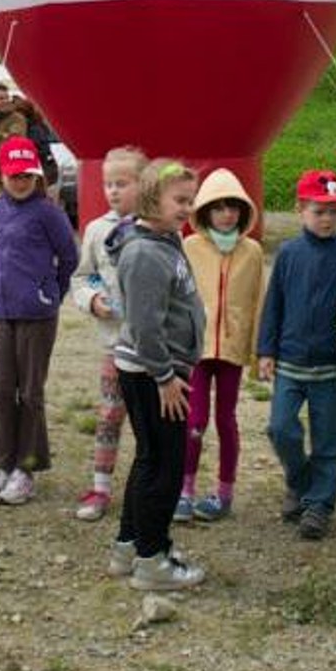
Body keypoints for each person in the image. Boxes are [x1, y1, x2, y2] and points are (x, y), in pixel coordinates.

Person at [107, 159, 207, 591]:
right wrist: (165, 377)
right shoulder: (145, 253)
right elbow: (145, 324)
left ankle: (130, 545)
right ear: (152, 198)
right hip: (155, 375)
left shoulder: (165, 239)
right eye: (179, 200)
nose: (187, 208)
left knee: (150, 459)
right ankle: (153, 561)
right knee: (164, 466)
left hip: (159, 371)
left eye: (190, 200)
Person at [257, 169, 336, 541]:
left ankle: (320, 504)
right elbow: (275, 303)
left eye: (334, 211)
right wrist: (266, 349)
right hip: (290, 361)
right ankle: (300, 481)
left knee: (329, 439)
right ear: (301, 209)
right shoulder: (288, 253)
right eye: (319, 211)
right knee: (280, 427)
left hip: (333, 366)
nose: (327, 219)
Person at [0, 136, 78, 505]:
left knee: (31, 392)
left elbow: (69, 257)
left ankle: (27, 467)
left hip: (37, 313)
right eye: (13, 174)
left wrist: (51, 292)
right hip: (0, 311)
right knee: (1, 389)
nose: (19, 181)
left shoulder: (48, 212)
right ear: (1, 174)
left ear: (37, 175)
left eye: (26, 175)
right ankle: (2, 463)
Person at [176, 168, 266, 523]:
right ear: (204, 212)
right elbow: (179, 298)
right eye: (218, 207)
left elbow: (258, 301)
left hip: (232, 348)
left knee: (226, 420)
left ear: (243, 211)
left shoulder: (253, 252)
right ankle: (185, 490)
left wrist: (258, 352)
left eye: (233, 207)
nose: (226, 213)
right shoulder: (189, 247)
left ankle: (224, 492)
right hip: (196, 350)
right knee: (194, 420)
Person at [70, 146, 146, 522]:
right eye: (108, 184)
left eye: (122, 183)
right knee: (109, 415)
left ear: (142, 184)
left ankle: (154, 488)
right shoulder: (97, 230)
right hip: (115, 346)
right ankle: (100, 487)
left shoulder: (156, 228)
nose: (113, 190)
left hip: (151, 350)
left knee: (151, 422)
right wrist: (93, 299)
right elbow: (81, 276)